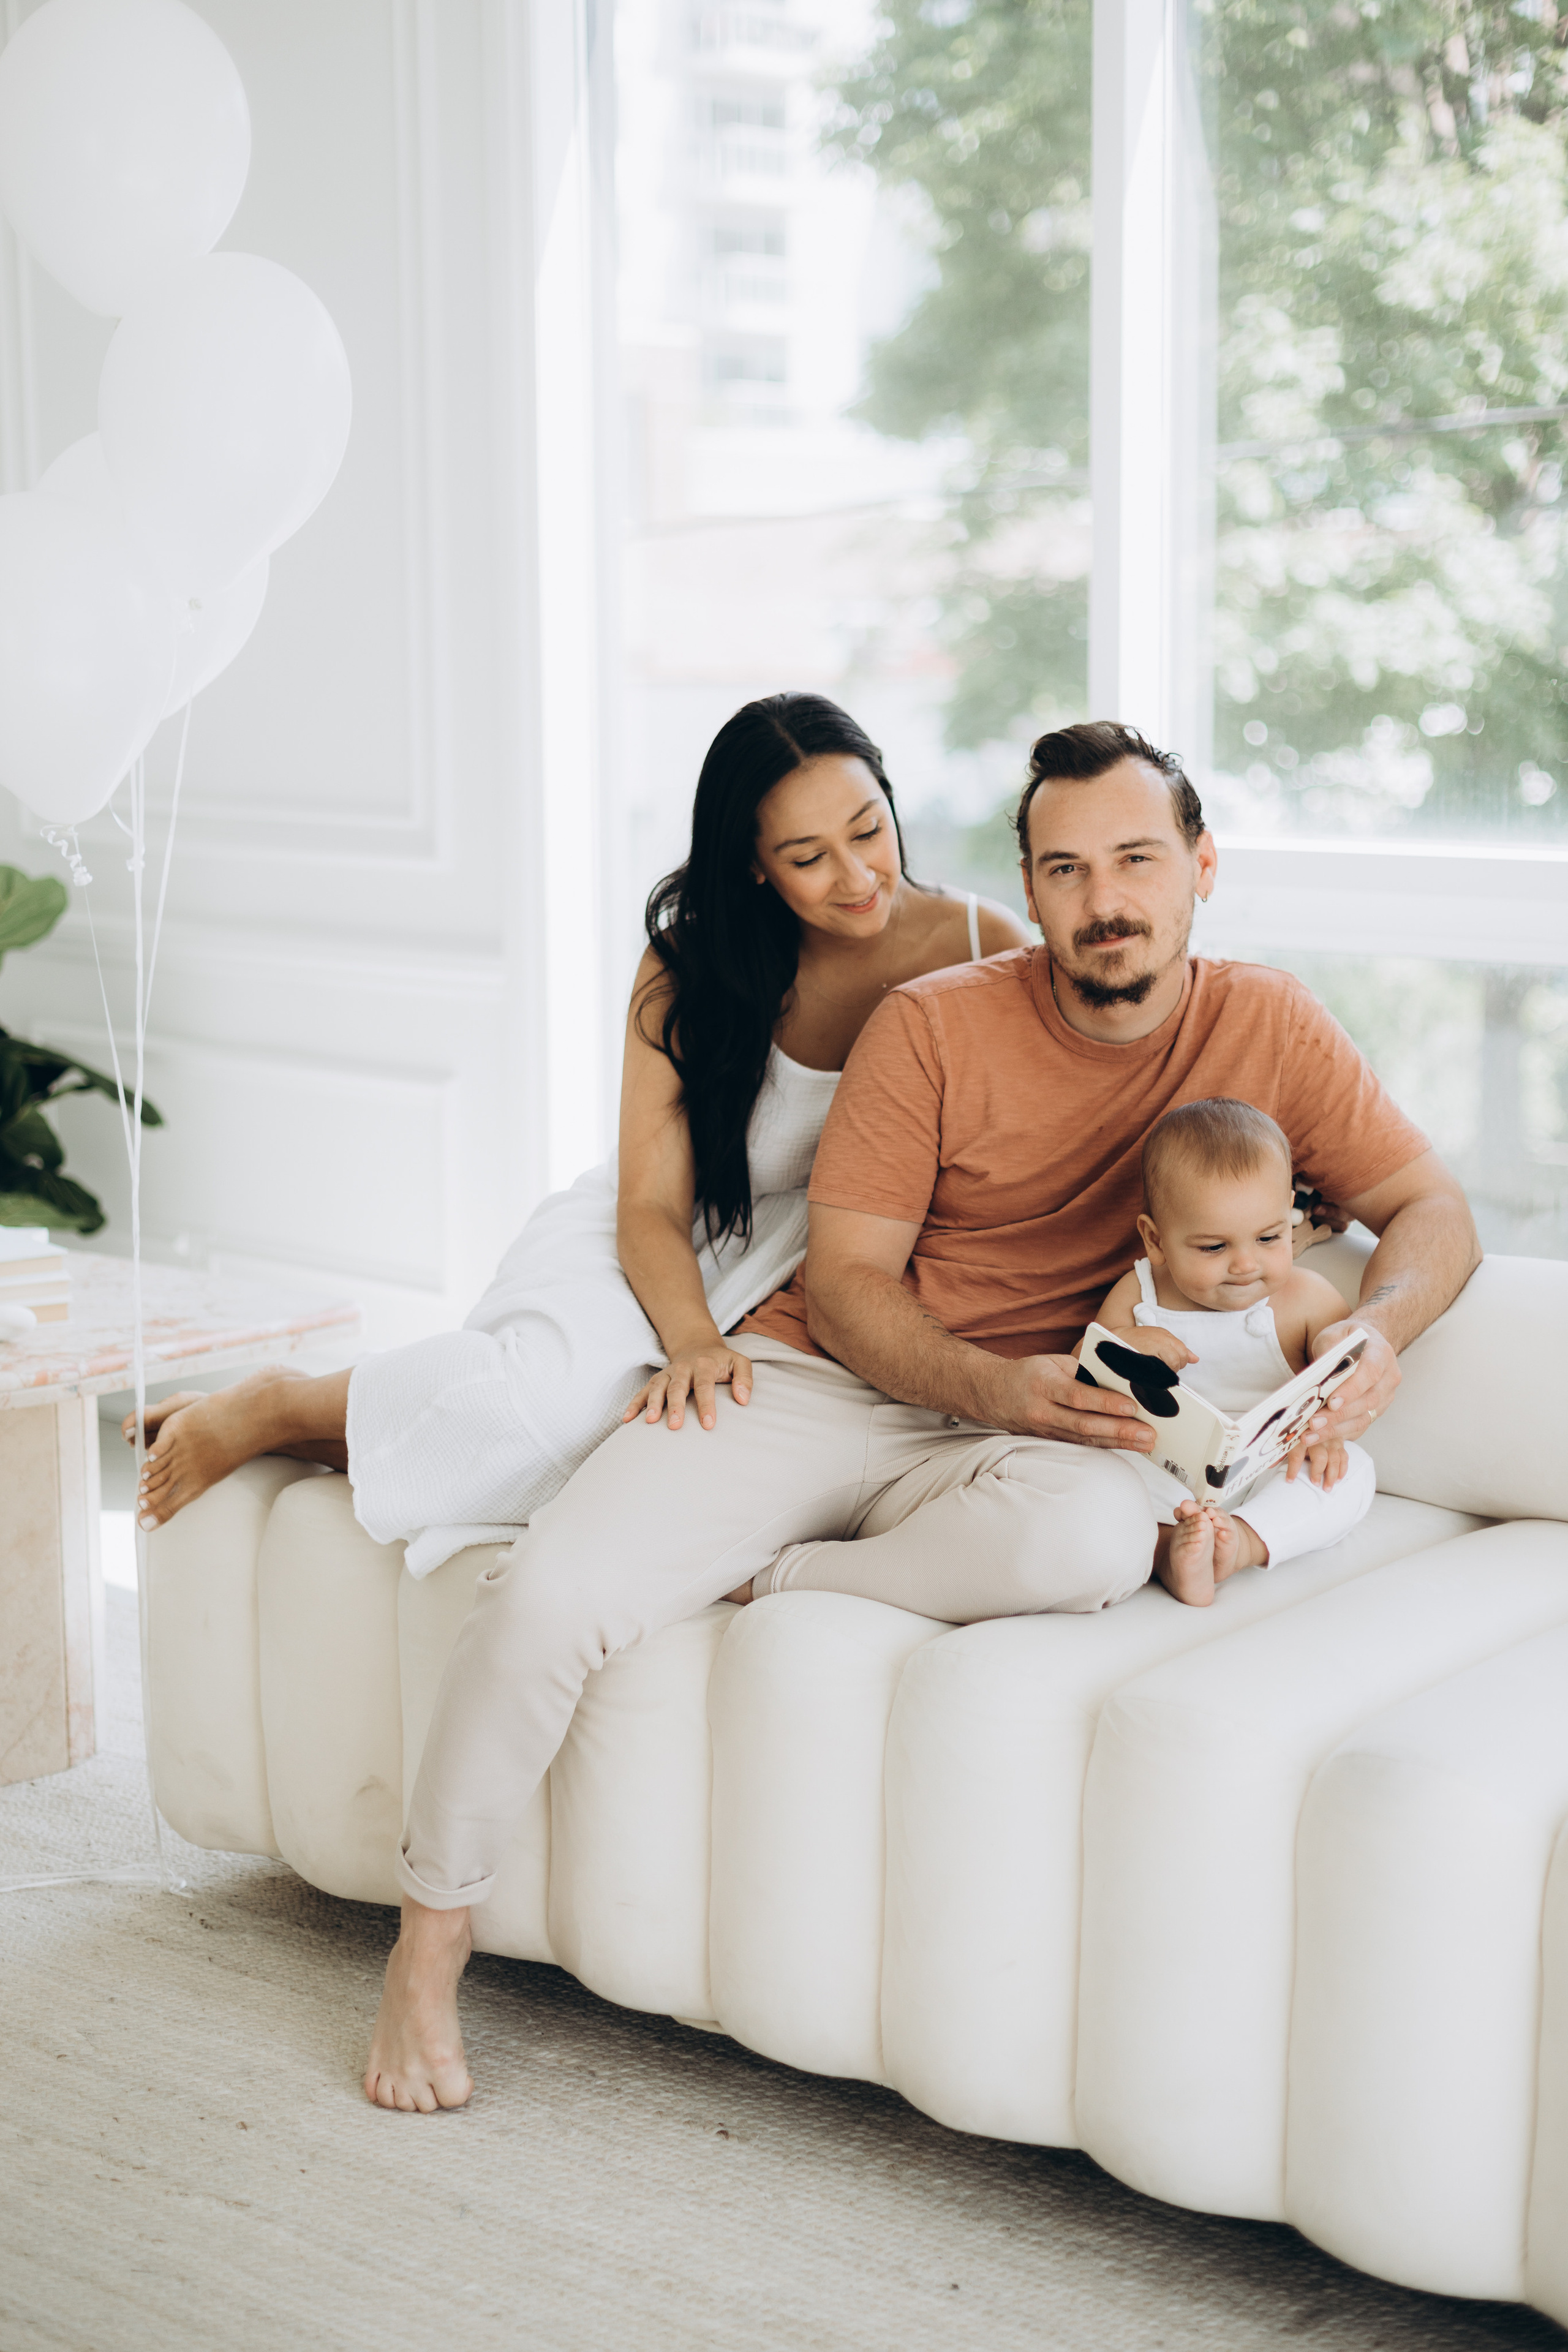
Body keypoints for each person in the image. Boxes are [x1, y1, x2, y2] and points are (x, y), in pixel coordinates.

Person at [362, 718, 1480, 2114]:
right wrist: (993, 1382)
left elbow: (1428, 1210)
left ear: (1200, 865)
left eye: (1136, 858)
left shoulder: (1273, 1019)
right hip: (835, 1379)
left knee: (1084, 1543)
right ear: (1027, 888)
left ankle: (785, 1576)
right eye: (1064, 869)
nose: (1104, 899)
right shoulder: (933, 1020)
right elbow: (842, 1284)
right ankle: (427, 1942)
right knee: (549, 1596)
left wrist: (1374, 1330)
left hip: (1054, 1424)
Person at [124, 693, 1028, 1550]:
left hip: (802, 1265)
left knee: (617, 1455)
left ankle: (308, 1414)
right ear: (755, 863)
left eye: (868, 828)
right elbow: (648, 1201)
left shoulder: (987, 947)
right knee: (561, 1407)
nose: (859, 874)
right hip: (660, 1232)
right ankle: (277, 1406)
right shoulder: (693, 961)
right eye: (808, 856)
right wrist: (691, 1340)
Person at [1088, 1095, 1376, 1611]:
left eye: (1269, 1237)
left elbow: (1347, 1383)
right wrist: (1127, 1350)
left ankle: (1241, 1541)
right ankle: (1167, 1550)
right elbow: (1085, 1376)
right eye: (1214, 1248)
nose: (1246, 1265)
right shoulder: (1138, 1298)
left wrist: (1326, 1434)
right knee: (1091, 1485)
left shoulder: (1307, 1300)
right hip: (1161, 1469)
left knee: (1352, 1473)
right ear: (1156, 1240)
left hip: (1268, 1470)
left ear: (1289, 1217)